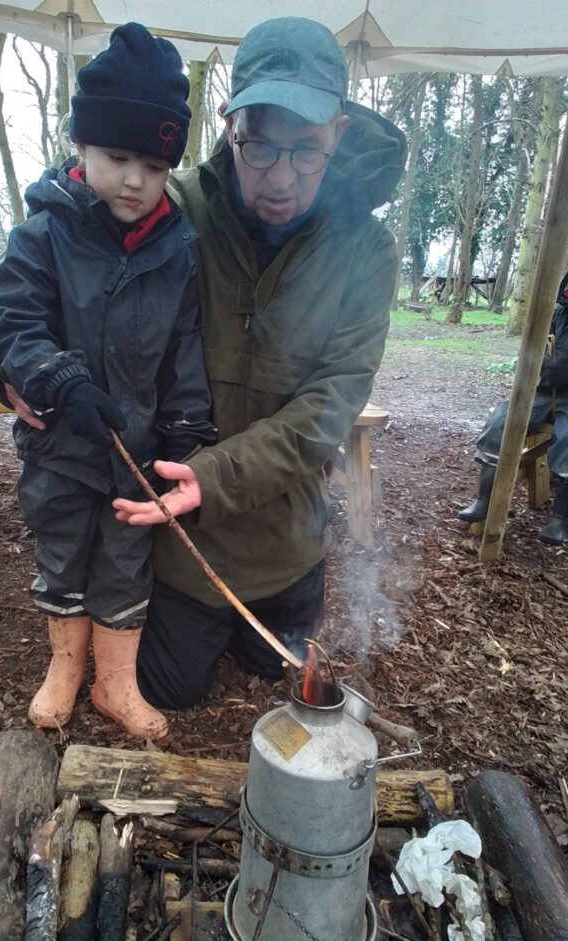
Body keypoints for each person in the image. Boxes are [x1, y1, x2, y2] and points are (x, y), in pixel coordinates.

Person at [108, 17, 407, 708]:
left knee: (274, 672)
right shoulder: (173, 209)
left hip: (285, 546)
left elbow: (329, 407)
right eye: (260, 146)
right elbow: (58, 260)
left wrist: (218, 475)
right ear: (229, 121)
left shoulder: (367, 251)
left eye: (306, 152)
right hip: (182, 548)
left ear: (337, 132)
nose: (280, 178)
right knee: (170, 690)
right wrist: (5, 351)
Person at [0, 23, 216, 739]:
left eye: (154, 162)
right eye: (117, 158)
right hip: (59, 446)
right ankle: (65, 669)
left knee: (123, 562)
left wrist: (189, 438)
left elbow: (186, 351)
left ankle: (115, 682)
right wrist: (56, 379)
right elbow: (9, 320)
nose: (137, 180)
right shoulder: (43, 234)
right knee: (61, 555)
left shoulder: (177, 250)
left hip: (136, 454)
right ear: (81, 145)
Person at [458, 236, 568, 545]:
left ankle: (560, 519)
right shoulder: (560, 311)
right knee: (502, 420)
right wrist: (540, 365)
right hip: (547, 391)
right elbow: (538, 344)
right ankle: (485, 497)